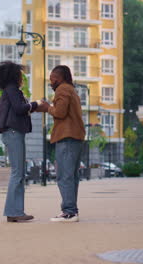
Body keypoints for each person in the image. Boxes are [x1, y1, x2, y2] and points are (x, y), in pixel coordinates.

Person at [0, 61, 42, 223]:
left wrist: (31, 106)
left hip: (12, 133)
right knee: (18, 172)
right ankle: (14, 211)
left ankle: (15, 211)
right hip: (14, 133)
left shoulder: (8, 91)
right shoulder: (12, 90)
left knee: (18, 172)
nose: (22, 77)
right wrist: (36, 104)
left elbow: (19, 108)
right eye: (20, 75)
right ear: (14, 76)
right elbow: (19, 108)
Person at [37, 65, 85, 222]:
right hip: (76, 137)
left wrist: (46, 107)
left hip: (66, 137)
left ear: (59, 78)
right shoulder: (71, 89)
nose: (51, 82)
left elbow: (60, 112)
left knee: (64, 176)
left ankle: (69, 212)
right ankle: (72, 210)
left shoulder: (62, 89)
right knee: (71, 176)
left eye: (52, 78)